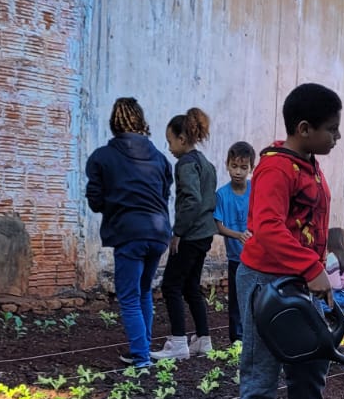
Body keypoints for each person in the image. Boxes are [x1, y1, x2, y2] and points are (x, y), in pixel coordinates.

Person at [235, 83, 344, 399]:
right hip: (265, 280)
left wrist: (311, 268)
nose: (337, 137)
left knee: (312, 357)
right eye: (332, 130)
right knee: (261, 362)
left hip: (297, 278)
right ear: (305, 128)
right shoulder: (275, 168)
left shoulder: (307, 163)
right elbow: (266, 226)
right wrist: (310, 268)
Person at [84, 97, 172, 369]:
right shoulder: (160, 158)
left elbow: (95, 200)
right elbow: (165, 194)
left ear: (114, 124)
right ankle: (141, 350)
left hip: (129, 233)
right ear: (141, 122)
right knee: (144, 290)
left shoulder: (102, 157)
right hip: (159, 233)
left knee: (129, 296)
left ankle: (142, 359)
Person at [152, 107, 217, 360]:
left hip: (190, 235)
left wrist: (177, 232)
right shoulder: (207, 164)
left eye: (170, 141)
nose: (169, 147)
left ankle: (178, 344)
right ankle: (203, 340)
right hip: (205, 235)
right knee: (191, 286)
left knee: (171, 285)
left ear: (182, 138)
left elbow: (191, 200)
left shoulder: (185, 165)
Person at [213, 142, 255, 346]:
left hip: (257, 257)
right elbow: (218, 226)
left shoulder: (256, 190)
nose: (238, 172)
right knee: (236, 300)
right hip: (235, 257)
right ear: (227, 165)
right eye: (234, 166)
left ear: (251, 168)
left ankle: (256, 335)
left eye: (243, 167)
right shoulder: (222, 194)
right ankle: (237, 338)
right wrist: (238, 235)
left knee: (257, 297)